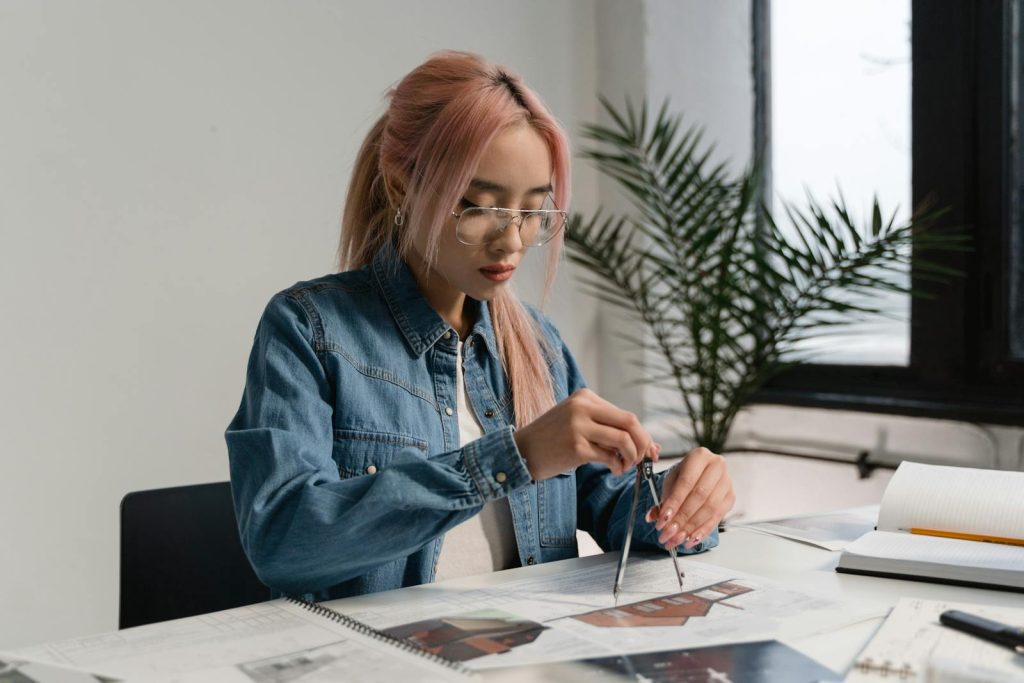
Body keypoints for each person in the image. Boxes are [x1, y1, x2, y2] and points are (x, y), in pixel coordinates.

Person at [226, 51, 734, 602]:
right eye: (479, 206)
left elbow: (618, 512)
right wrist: (511, 459)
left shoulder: (539, 348)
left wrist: (685, 502)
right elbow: (282, 544)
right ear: (401, 187)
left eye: (533, 210)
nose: (511, 241)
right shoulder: (310, 330)